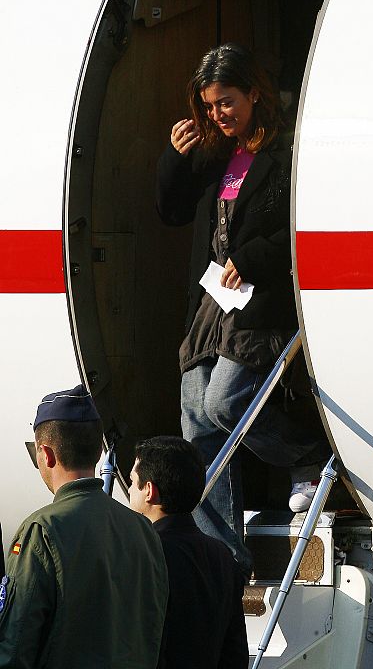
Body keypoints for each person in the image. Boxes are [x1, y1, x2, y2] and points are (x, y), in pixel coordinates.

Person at [156, 43, 329, 578]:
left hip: (259, 302)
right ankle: (224, 557)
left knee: (226, 403)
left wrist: (252, 258)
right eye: (210, 106)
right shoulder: (214, 154)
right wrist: (175, 159)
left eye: (226, 102)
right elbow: (171, 211)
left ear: (254, 94)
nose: (218, 115)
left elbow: (303, 226)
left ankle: (306, 453)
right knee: (195, 422)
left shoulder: (287, 152)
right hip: (213, 303)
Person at [0, 385, 169, 669]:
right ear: (98, 451)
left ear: (46, 454)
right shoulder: (144, 530)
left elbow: (15, 648)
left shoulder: (41, 530)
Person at [129, 435, 248, 669]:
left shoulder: (143, 554)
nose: (130, 488)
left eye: (133, 481)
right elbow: (235, 651)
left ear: (149, 491)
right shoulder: (222, 555)